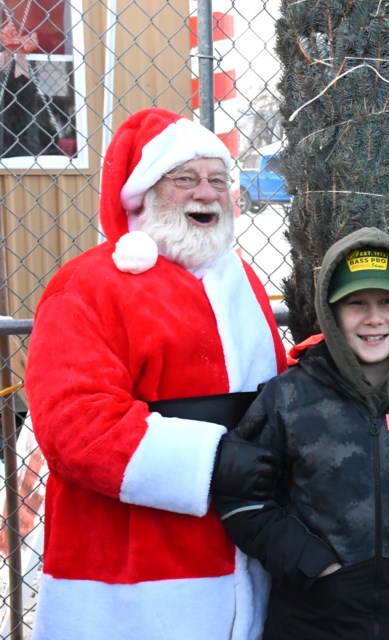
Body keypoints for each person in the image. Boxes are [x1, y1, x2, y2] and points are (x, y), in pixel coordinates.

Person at [25, 107, 287, 639]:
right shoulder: (88, 286)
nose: (207, 194)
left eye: (218, 180)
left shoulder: (243, 283)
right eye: (185, 179)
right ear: (142, 194)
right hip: (134, 571)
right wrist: (212, 460)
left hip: (243, 551)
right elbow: (74, 423)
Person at [214, 227, 389, 640]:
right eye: (355, 304)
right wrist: (312, 565)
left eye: (388, 302)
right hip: (312, 618)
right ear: (331, 313)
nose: (374, 318)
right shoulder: (290, 396)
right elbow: (242, 497)